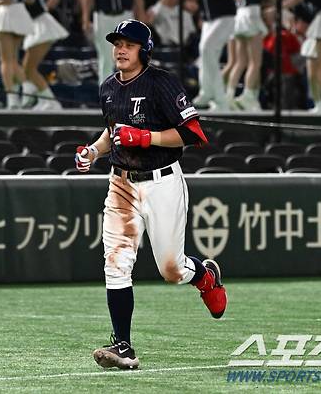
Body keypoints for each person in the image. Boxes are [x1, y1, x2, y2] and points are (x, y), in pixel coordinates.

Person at [74, 19, 227, 371]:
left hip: (162, 182)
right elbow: (112, 131)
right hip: (121, 184)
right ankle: (123, 346)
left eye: (128, 44)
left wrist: (146, 138)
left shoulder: (161, 83)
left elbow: (193, 133)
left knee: (171, 269)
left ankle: (204, 275)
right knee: (115, 264)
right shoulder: (108, 88)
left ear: (144, 49)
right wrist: (94, 152)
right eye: (117, 43)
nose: (120, 49)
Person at [191, 0, 236, 111]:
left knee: (206, 49)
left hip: (225, 17)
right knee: (206, 56)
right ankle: (207, 92)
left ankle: (218, 98)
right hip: (209, 20)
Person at [227, 0, 271, 110]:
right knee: (255, 62)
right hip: (252, 15)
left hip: (240, 16)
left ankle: (230, 96)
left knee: (240, 62)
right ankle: (247, 96)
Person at [21, 0, 67, 110]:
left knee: (29, 69)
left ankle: (51, 102)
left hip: (41, 26)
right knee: (27, 68)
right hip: (36, 26)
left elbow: (35, 3)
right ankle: (39, 98)